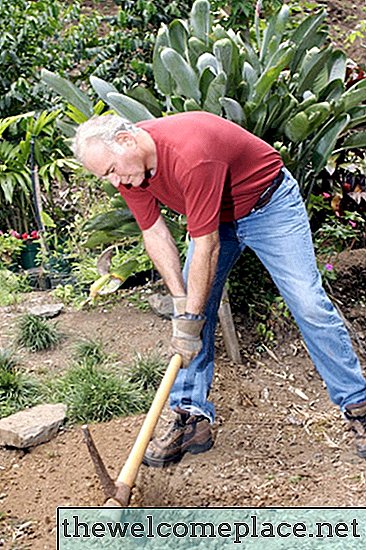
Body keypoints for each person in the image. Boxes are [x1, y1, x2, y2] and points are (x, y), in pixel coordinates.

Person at [72, 111, 366, 467]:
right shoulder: (129, 171)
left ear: (125, 140)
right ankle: (191, 418)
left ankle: (358, 405)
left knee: (308, 304)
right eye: (107, 176)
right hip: (216, 218)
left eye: (112, 170)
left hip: (268, 205)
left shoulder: (190, 153)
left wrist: (191, 316)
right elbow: (155, 233)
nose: (116, 180)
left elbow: (206, 244)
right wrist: (183, 304)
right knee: (192, 310)